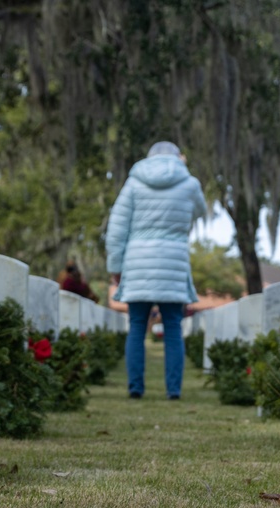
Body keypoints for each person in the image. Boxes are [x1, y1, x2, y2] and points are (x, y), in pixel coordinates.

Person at [106, 141, 207, 399]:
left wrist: (115, 268)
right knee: (173, 326)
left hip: (137, 261)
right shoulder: (190, 183)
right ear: (178, 158)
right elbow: (200, 211)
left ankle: (135, 389)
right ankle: (174, 390)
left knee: (137, 326)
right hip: (173, 261)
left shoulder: (134, 182)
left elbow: (117, 229)